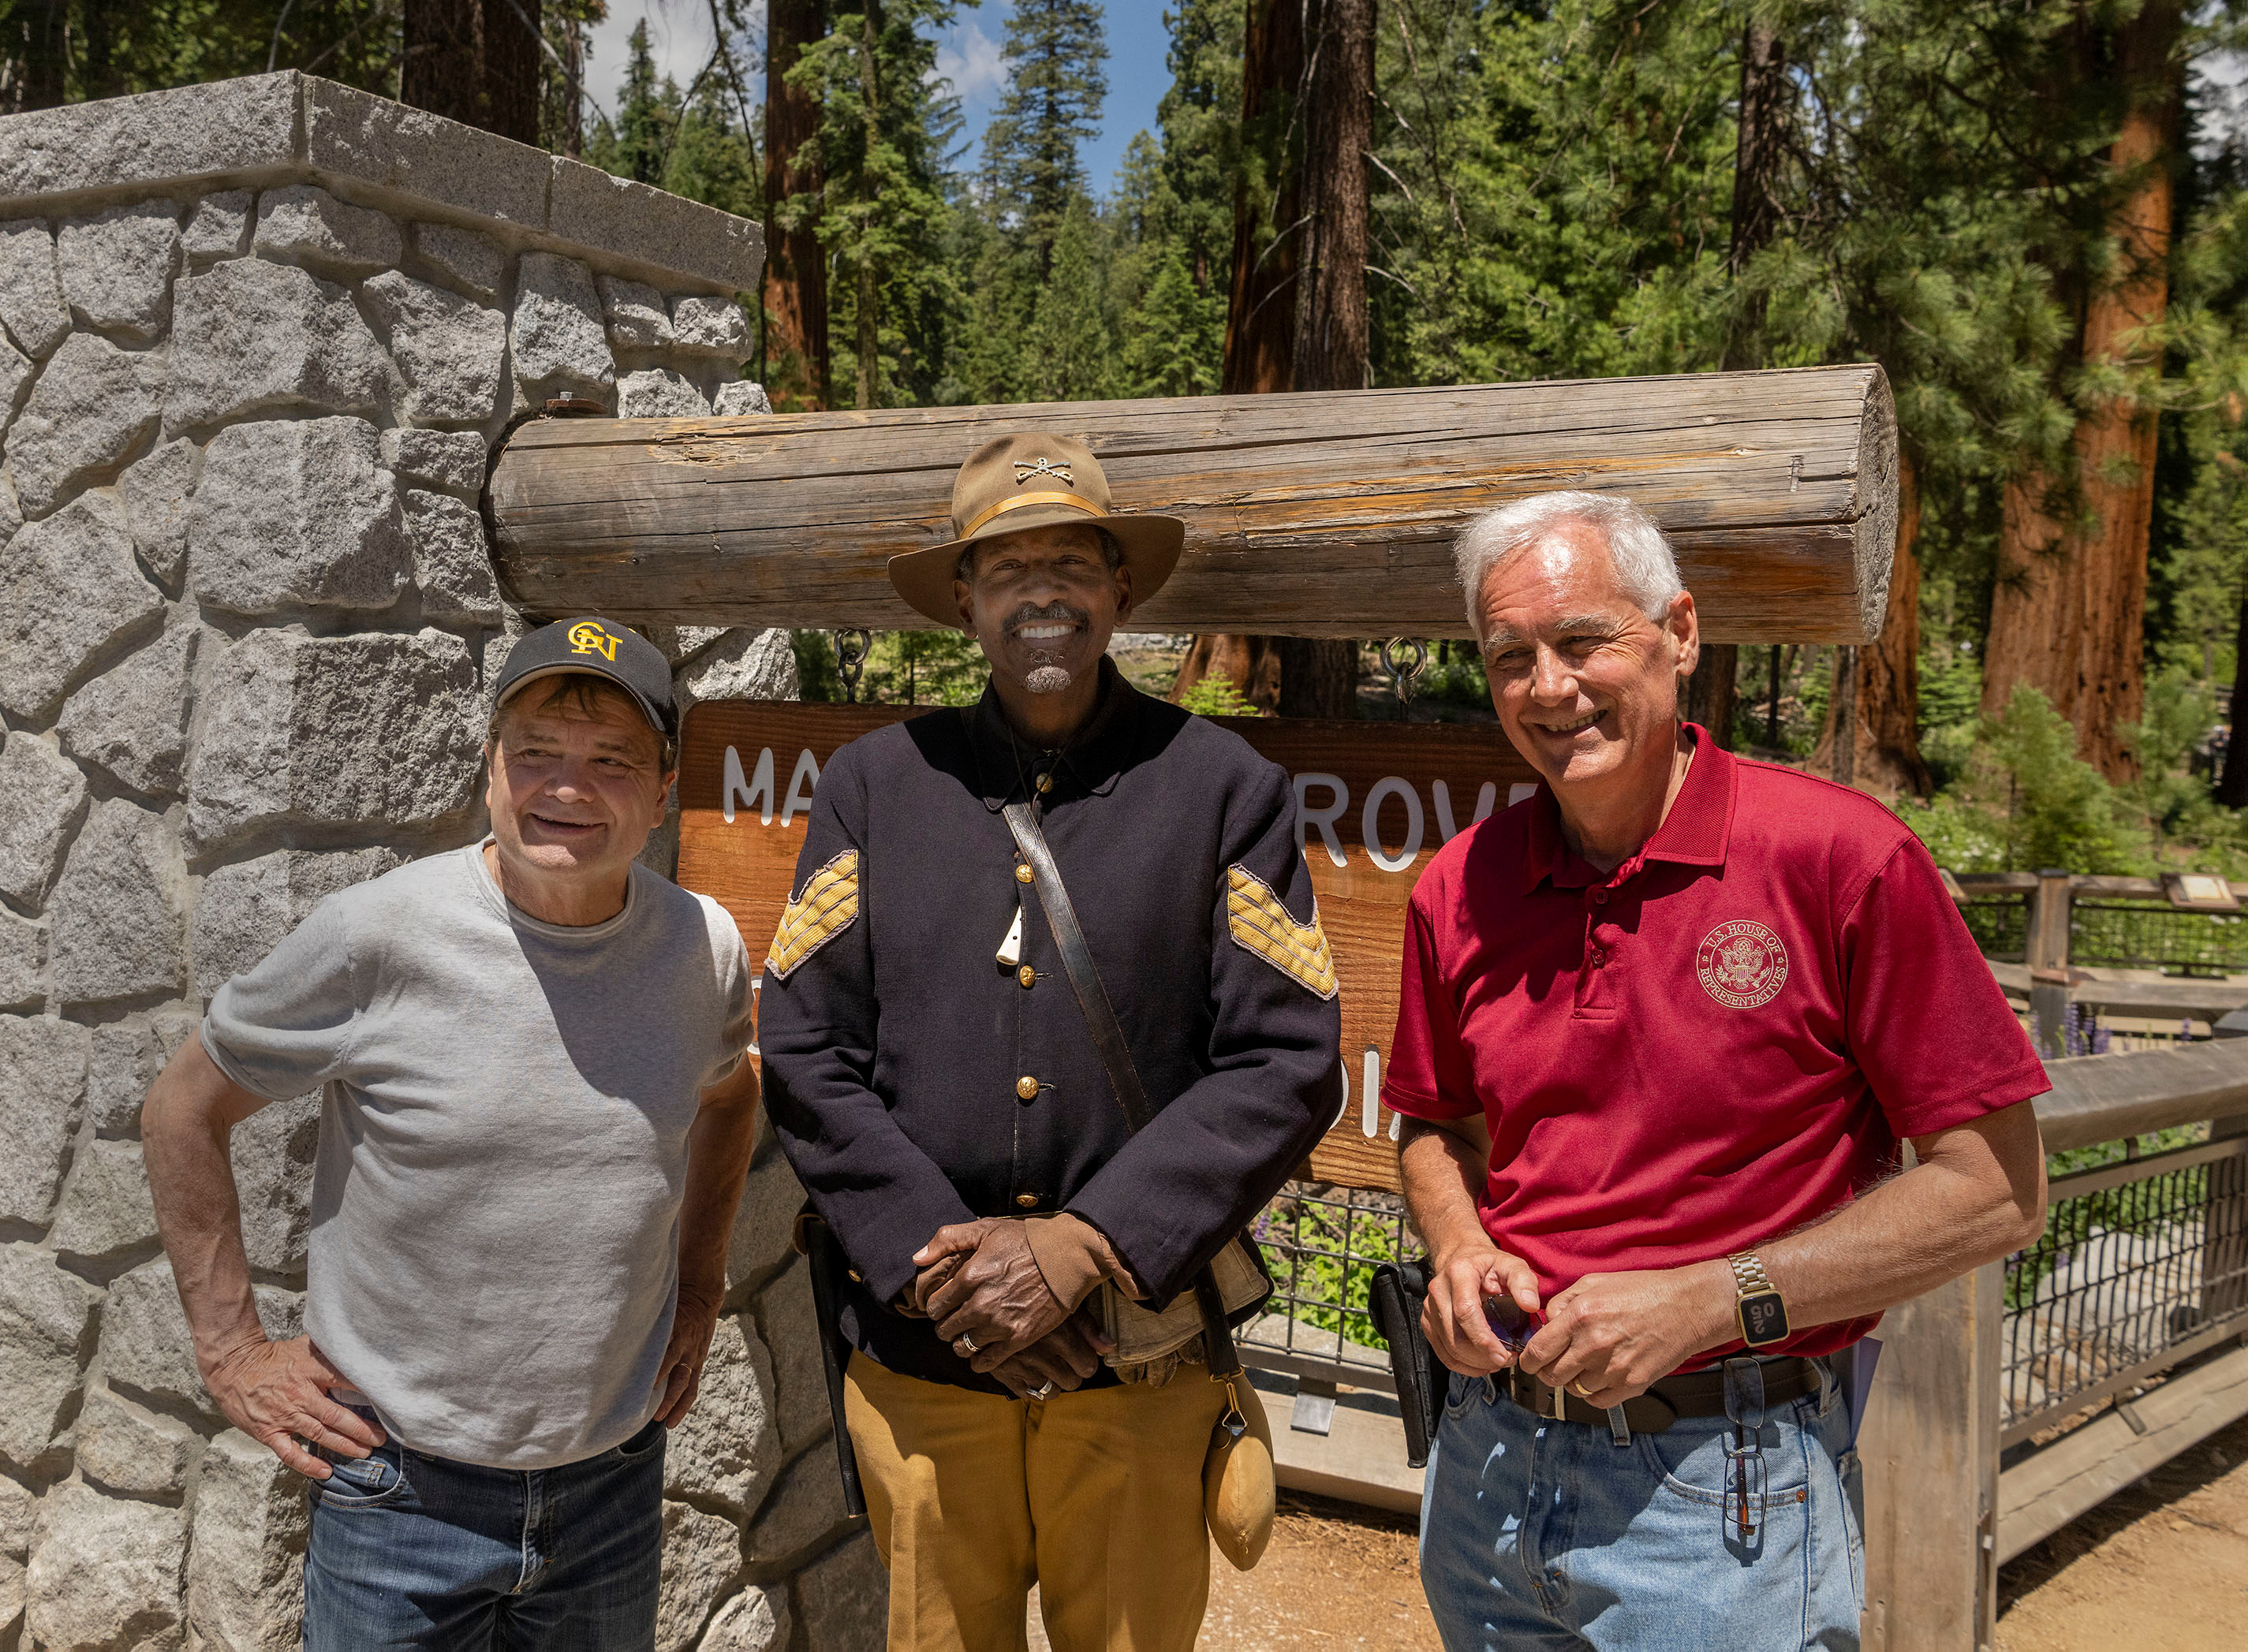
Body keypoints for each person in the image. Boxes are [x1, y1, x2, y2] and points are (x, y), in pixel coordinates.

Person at [1388, 490, 2050, 1650]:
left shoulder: (1841, 858)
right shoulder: (1460, 884)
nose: (1548, 687)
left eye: (1582, 640)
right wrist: (1456, 1247)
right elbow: (1434, 1126)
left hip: (1725, 1483)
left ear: (1679, 633)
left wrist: (1711, 1298)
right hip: (1486, 1465)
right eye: (1510, 657)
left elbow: (1996, 1189)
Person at [757, 433, 1343, 1652]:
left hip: (1134, 1362)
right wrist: (942, 1270)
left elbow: (1285, 1059)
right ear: (963, 597)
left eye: (1072, 563)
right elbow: (805, 1049)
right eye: (1009, 567)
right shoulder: (873, 786)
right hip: (927, 1354)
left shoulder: (1222, 787)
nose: (1043, 593)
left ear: (1120, 591)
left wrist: (1087, 1246)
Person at [141, 618, 760, 1650]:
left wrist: (700, 1287)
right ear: (491, 769)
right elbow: (181, 1107)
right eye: (536, 753)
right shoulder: (377, 935)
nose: (567, 787)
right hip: (396, 1489)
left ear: (663, 794)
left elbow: (731, 1097)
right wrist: (233, 1351)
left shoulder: (706, 948)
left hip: (610, 1488)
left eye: (611, 762)